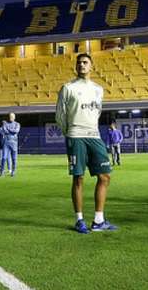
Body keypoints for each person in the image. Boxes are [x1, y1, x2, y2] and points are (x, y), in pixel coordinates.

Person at [56, 53, 116, 233]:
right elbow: (60, 115)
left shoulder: (99, 89)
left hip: (94, 136)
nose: (82, 65)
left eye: (85, 62)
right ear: (76, 66)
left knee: (105, 176)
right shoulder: (68, 88)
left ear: (92, 66)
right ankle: (79, 220)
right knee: (79, 178)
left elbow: (97, 112)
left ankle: (98, 220)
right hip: (76, 136)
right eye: (79, 63)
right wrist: (70, 132)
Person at [0, 113, 21, 177]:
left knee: (14, 159)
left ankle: (13, 172)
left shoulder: (17, 124)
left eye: (12, 116)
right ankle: (2, 172)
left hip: (14, 143)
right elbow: (5, 131)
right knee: (4, 157)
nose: (11, 117)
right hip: (6, 142)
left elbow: (16, 131)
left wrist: (9, 130)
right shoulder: (5, 124)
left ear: (14, 117)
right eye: (10, 116)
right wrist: (11, 131)